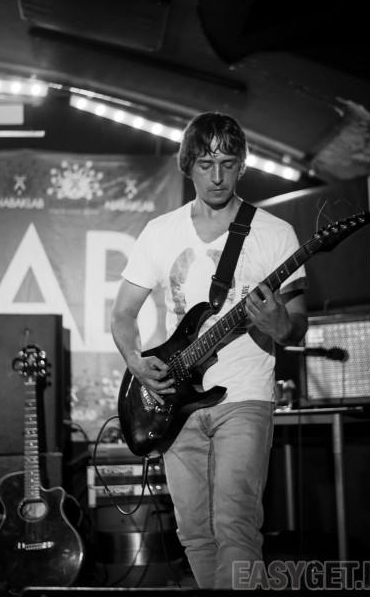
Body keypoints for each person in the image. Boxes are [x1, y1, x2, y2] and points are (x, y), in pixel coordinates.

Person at [110, 111, 308, 589]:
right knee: (195, 534)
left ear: (242, 165)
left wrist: (280, 324)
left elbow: (297, 327)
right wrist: (136, 362)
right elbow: (122, 315)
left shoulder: (275, 233)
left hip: (244, 395)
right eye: (205, 163)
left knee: (236, 525)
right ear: (188, 166)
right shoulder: (160, 231)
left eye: (227, 163)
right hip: (176, 402)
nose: (217, 176)